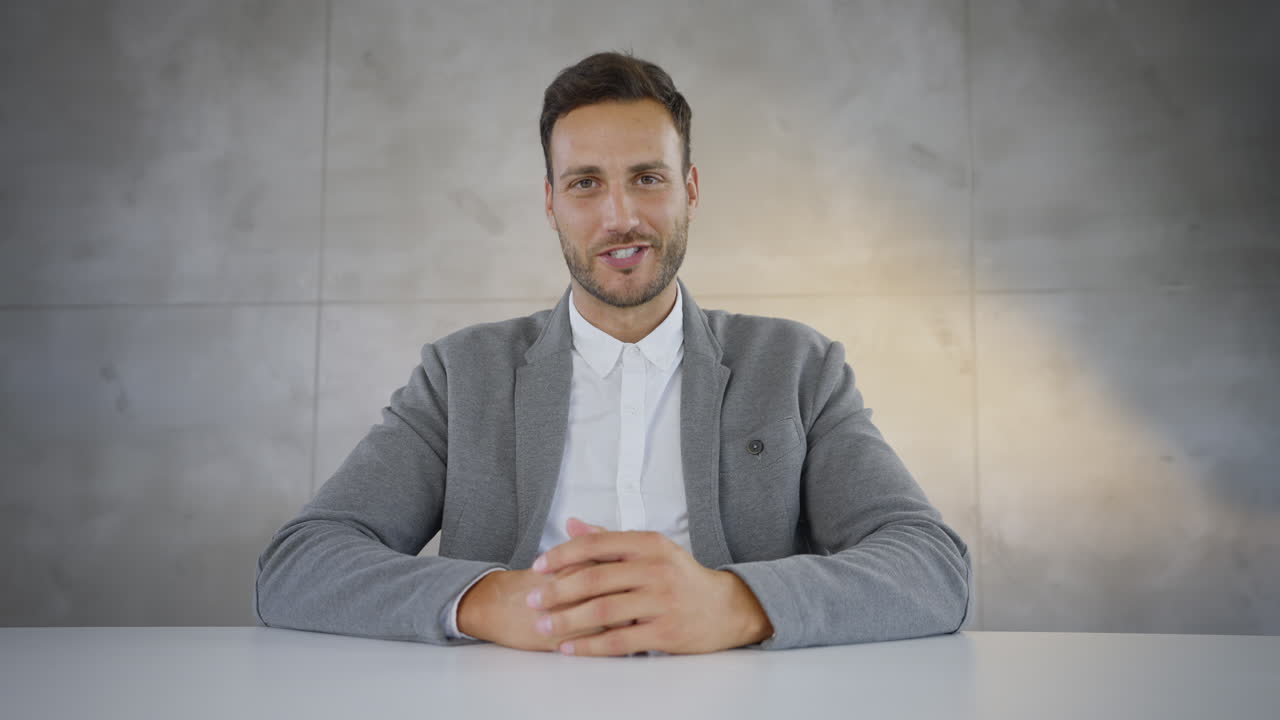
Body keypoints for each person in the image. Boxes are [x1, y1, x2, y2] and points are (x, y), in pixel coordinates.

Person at [255, 51, 972, 657]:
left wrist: (739, 602)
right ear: (551, 202)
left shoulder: (798, 366)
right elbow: (297, 565)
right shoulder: (459, 374)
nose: (619, 216)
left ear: (689, 190)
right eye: (585, 183)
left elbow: (931, 566)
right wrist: (485, 599)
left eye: (648, 178)